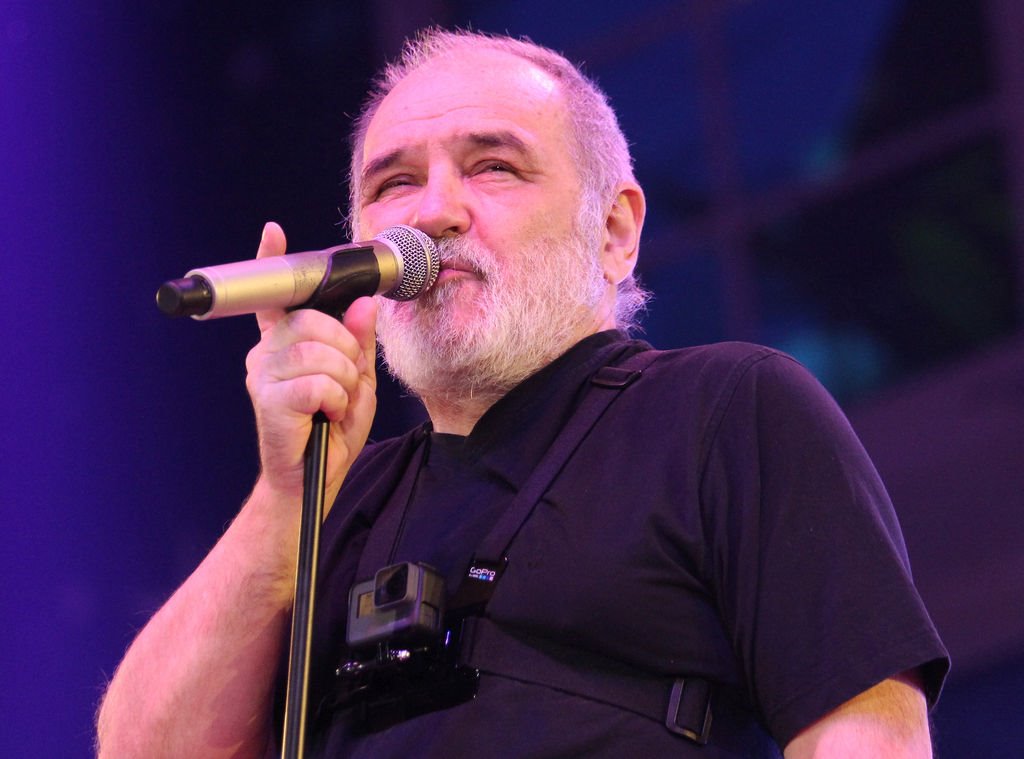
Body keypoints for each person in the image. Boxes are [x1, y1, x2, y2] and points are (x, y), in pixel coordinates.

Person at [96, 28, 948, 758]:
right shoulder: (331, 502)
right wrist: (285, 500)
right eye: (393, 184)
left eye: (493, 166)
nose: (433, 212)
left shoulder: (723, 410)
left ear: (614, 230)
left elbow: (866, 730)